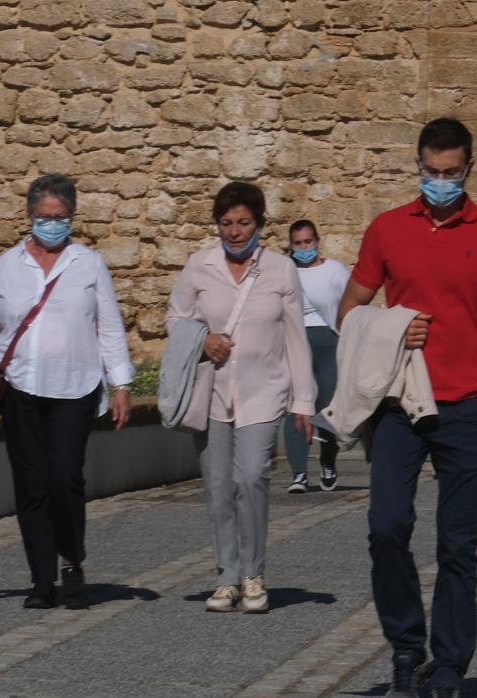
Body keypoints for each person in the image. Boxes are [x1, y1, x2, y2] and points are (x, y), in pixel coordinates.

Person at [337, 117, 477, 698]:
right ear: (417, 166)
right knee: (386, 528)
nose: (439, 182)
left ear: (469, 170)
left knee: (457, 545)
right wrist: (393, 328)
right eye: (429, 172)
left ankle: (447, 669)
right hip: (401, 402)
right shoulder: (388, 229)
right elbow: (349, 313)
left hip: (469, 405)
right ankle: (405, 646)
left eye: (449, 173)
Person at [0, 174, 134, 610]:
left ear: (72, 217)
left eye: (60, 217)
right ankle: (42, 579)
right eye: (43, 217)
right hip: (21, 387)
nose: (52, 224)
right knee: (30, 484)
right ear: (29, 216)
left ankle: (71, 561)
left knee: (64, 478)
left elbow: (108, 326)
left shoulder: (88, 264)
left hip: (75, 387)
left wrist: (121, 383)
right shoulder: (7, 265)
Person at [166, 181, 316, 614]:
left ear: (259, 224)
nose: (234, 231)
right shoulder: (200, 266)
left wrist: (303, 401)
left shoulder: (281, 270)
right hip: (211, 393)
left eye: (243, 222)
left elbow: (295, 338)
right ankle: (226, 577)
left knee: (251, 476)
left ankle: (254, 574)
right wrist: (203, 339)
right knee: (217, 487)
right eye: (227, 223)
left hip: (263, 390)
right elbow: (174, 317)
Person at [284, 219, 350, 493]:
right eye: (297, 243)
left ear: (317, 241)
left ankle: (327, 461)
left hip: (327, 342)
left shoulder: (334, 270)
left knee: (326, 407)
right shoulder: (285, 271)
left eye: (307, 242)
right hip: (295, 343)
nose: (303, 247)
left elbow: (351, 302)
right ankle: (299, 472)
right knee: (295, 406)